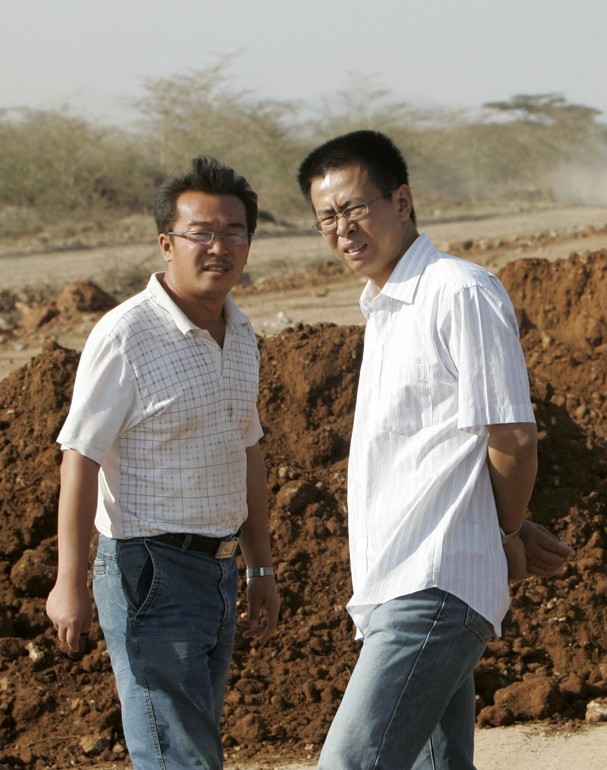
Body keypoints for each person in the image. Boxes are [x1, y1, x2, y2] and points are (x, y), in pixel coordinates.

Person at [297, 129, 575, 770]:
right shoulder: (385, 309)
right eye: (327, 218)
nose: (343, 228)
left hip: (433, 583)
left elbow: (510, 435)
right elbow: (443, 455)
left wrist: (504, 531)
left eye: (356, 207)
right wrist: (507, 522)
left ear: (402, 200)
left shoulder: (457, 291)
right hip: (400, 581)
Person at [46, 156, 280, 769]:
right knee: (178, 753)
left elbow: (248, 452)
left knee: (191, 744)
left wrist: (260, 568)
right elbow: (81, 457)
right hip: (149, 570)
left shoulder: (242, 331)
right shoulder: (126, 335)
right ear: (166, 243)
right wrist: (69, 582)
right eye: (201, 232)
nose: (218, 246)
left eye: (234, 232)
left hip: (219, 568)